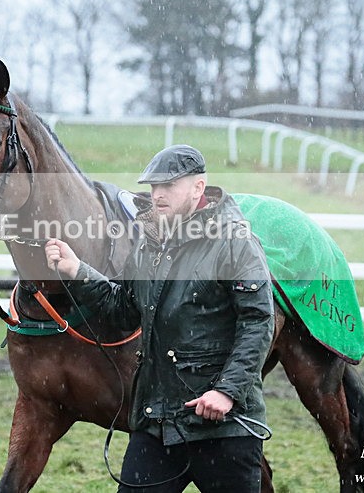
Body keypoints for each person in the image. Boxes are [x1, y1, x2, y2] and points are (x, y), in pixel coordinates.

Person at [45, 145, 275, 492]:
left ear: (199, 188)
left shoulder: (235, 241)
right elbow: (123, 309)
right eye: (153, 186)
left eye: (168, 185)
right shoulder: (148, 242)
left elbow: (258, 321)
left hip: (224, 426)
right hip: (157, 425)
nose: (158, 194)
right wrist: (77, 271)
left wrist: (226, 392)